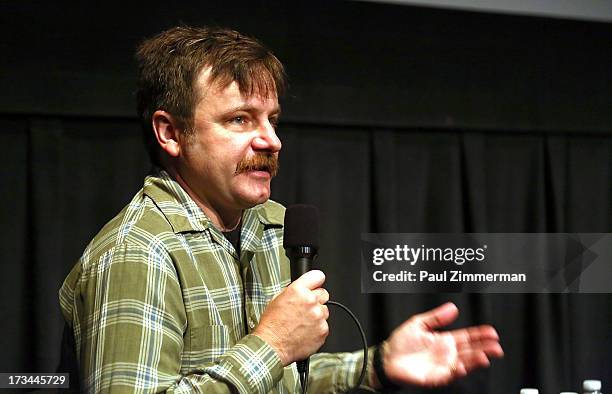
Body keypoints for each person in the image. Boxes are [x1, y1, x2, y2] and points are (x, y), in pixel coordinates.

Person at [59, 25, 503, 393]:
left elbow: (282, 380)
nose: (271, 139)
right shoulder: (138, 251)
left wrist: (380, 364)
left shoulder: (270, 224)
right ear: (171, 133)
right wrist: (270, 344)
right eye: (240, 119)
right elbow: (268, 356)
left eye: (272, 119)